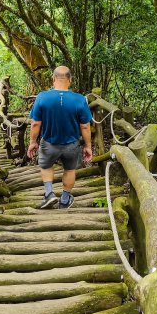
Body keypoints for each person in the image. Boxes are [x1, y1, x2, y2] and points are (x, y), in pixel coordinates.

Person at [27, 66, 93, 209]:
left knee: (46, 166)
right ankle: (64, 200)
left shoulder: (42, 97)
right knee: (69, 170)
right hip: (71, 144)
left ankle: (49, 194)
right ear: (70, 80)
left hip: (49, 142)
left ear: (53, 79)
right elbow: (85, 126)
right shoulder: (79, 99)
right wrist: (88, 146)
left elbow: (35, 123)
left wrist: (32, 142)